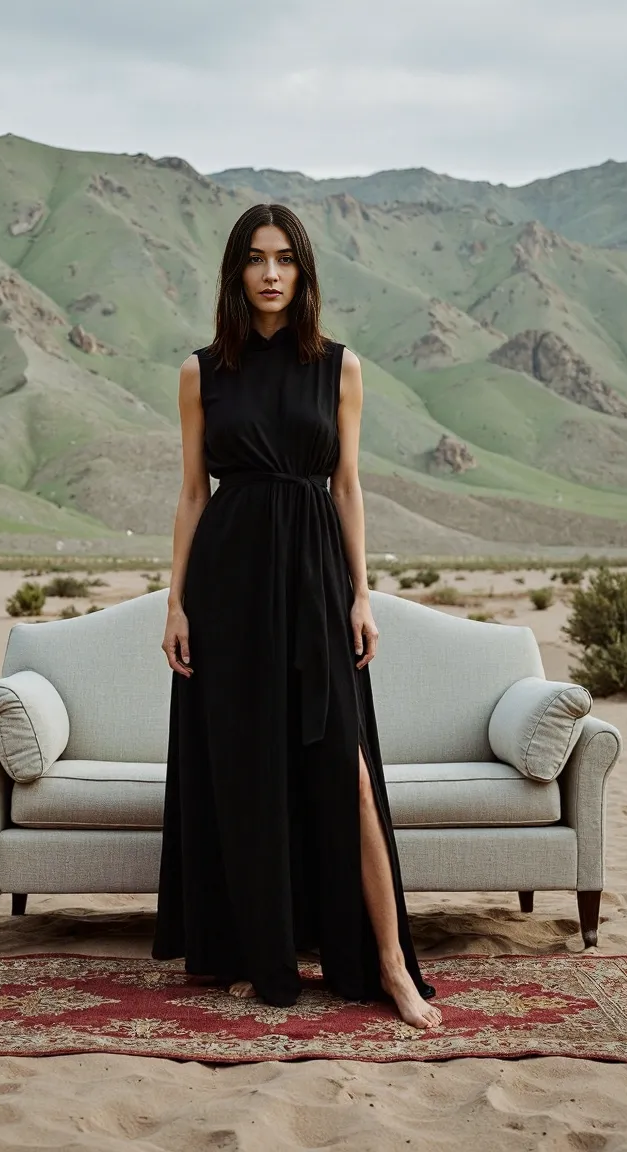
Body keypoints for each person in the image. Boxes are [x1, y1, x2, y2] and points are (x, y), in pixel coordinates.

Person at [151, 203, 442, 1031]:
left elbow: (347, 488)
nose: (271, 273)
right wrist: (175, 600)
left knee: (346, 777)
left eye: (285, 259)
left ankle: (388, 963)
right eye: (255, 258)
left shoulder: (340, 368)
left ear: (304, 273)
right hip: (229, 586)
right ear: (235, 272)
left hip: (314, 581)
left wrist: (360, 592)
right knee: (247, 775)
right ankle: (261, 953)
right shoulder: (200, 371)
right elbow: (190, 493)